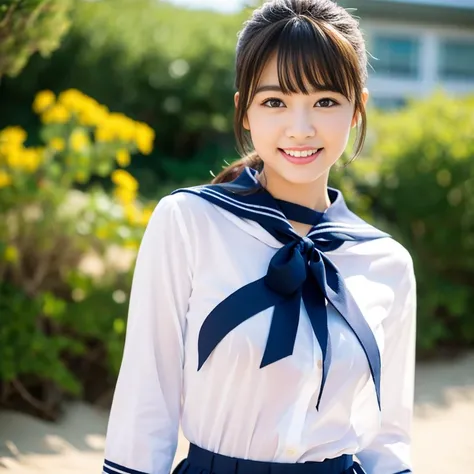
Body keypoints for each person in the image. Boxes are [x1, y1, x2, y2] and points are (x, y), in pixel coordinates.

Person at [102, 1, 417, 473]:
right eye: (275, 102)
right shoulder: (188, 223)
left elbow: (387, 439)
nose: (301, 127)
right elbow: (146, 400)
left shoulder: (387, 263)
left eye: (326, 101)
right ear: (244, 110)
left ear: (357, 110)